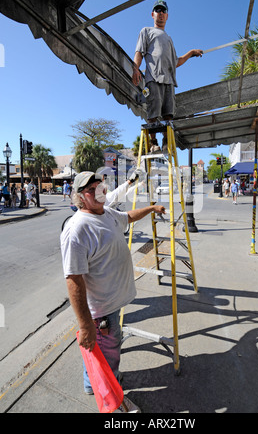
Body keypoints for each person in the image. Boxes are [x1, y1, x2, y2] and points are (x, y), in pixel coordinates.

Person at [60, 171, 165, 413]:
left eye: (100, 186)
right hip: (101, 313)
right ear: (80, 197)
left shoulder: (106, 213)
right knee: (109, 358)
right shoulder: (77, 230)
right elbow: (73, 280)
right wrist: (86, 326)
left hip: (111, 305)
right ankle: (113, 401)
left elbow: (127, 217)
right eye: (90, 189)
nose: (98, 191)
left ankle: (92, 385)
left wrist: (150, 209)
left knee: (97, 354)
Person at [132, 0, 203, 153]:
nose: (161, 14)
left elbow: (176, 62)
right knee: (153, 113)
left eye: (163, 11)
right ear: (153, 14)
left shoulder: (169, 39)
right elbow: (139, 52)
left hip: (169, 81)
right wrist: (136, 69)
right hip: (153, 78)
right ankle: (153, 143)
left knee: (168, 115)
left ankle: (165, 142)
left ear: (167, 15)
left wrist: (191, 53)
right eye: (158, 11)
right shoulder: (147, 31)